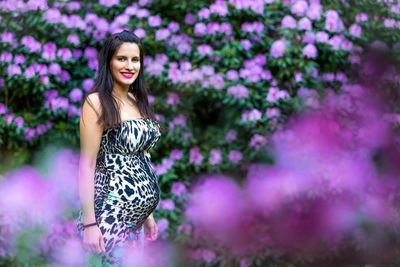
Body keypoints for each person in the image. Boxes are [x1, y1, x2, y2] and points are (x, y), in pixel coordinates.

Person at [77, 30, 162, 266]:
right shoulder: (96, 102)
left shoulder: (138, 102)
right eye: (121, 58)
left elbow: (139, 159)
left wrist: (148, 216)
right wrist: (90, 225)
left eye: (135, 60)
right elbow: (87, 165)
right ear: (109, 62)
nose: (129, 66)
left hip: (135, 223)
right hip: (108, 220)